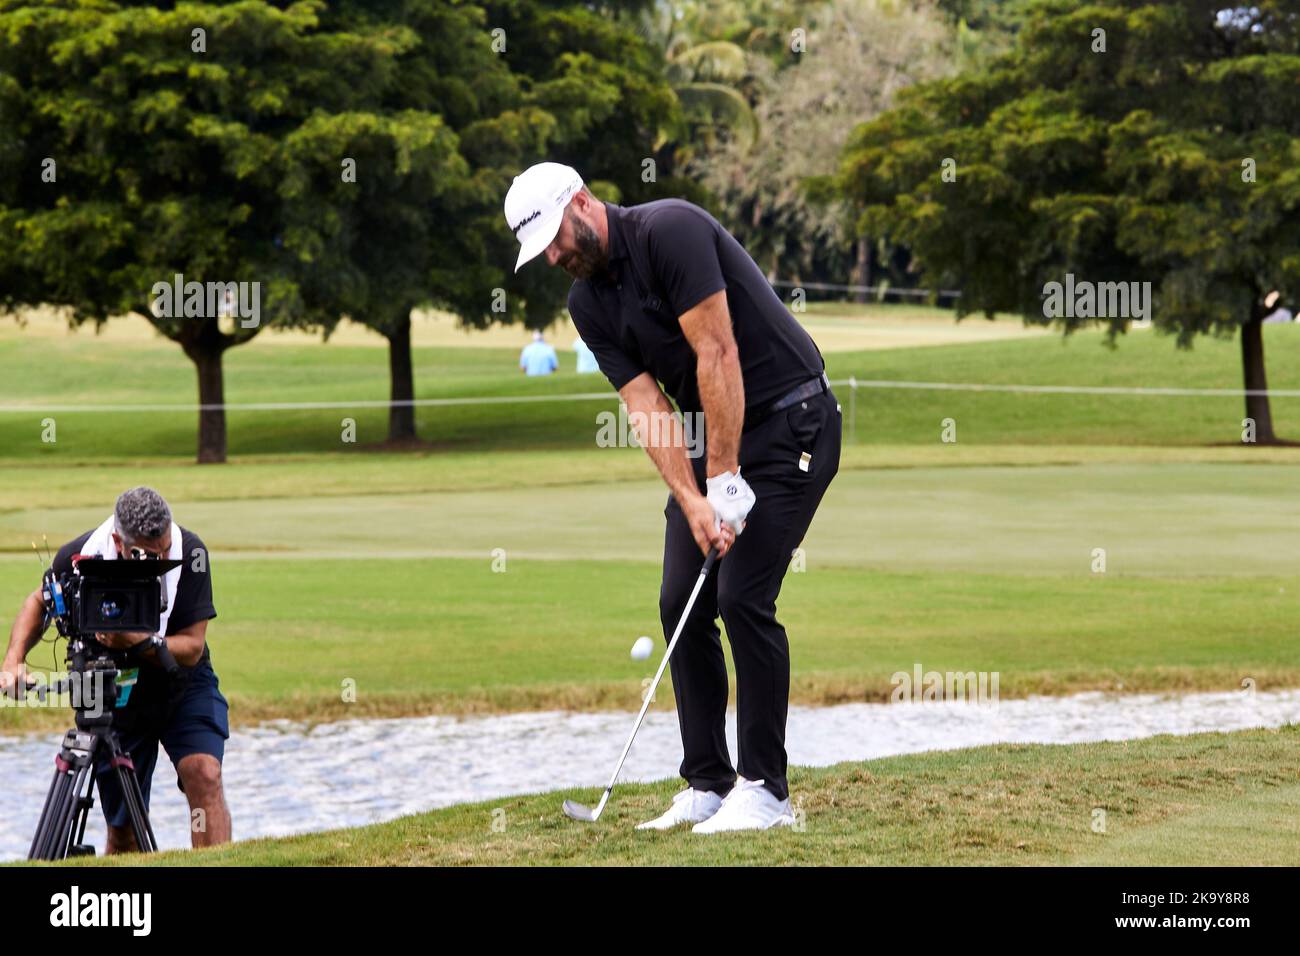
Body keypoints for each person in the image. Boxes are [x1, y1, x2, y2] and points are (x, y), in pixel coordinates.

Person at [505, 162, 840, 833]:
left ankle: (766, 791)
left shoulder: (671, 229)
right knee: (678, 601)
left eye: (555, 237)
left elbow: (716, 353)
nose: (553, 255)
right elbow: (647, 406)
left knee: (742, 596)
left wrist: (722, 479)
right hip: (714, 434)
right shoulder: (586, 303)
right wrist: (692, 498)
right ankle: (708, 783)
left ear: (580, 202)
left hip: (792, 418)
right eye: (540, 248)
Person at [1, 486, 231, 853]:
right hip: (113, 693)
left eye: (164, 549)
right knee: (122, 829)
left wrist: (140, 641)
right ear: (117, 541)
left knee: (203, 772)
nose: (159, 559)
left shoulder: (192, 552)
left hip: (182, 683)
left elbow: (192, 647)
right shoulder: (82, 555)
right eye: (145, 553)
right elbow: (39, 601)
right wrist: (14, 660)